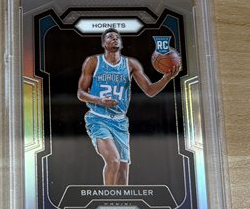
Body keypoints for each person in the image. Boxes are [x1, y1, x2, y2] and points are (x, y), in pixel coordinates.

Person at [77, 27, 181, 186]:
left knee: (123, 170)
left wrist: (166, 78)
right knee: (113, 161)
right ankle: (106, 199)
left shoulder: (131, 64)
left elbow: (149, 91)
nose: (114, 39)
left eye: (117, 37)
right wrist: (99, 100)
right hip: (98, 119)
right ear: (104, 44)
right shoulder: (93, 61)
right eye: (110, 37)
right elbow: (81, 93)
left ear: (121, 43)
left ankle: (122, 199)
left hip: (120, 122)